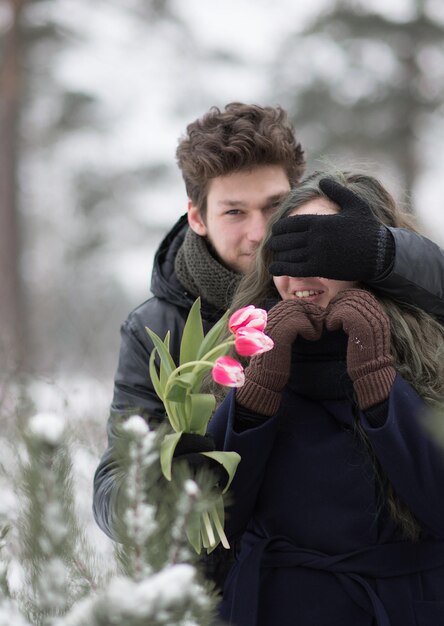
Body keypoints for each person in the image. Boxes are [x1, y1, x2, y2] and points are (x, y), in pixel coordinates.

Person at [92, 103, 444, 569]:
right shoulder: (160, 327)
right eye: (234, 211)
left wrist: (385, 252)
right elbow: (114, 487)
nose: (260, 234)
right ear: (197, 217)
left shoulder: (368, 284)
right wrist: (168, 484)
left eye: (275, 207)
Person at [207, 171, 444, 626]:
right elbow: (211, 518)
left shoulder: (430, 351)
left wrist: (376, 376)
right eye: (290, 251)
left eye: (327, 250)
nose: (301, 272)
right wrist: (259, 388)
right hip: (270, 605)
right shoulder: (235, 351)